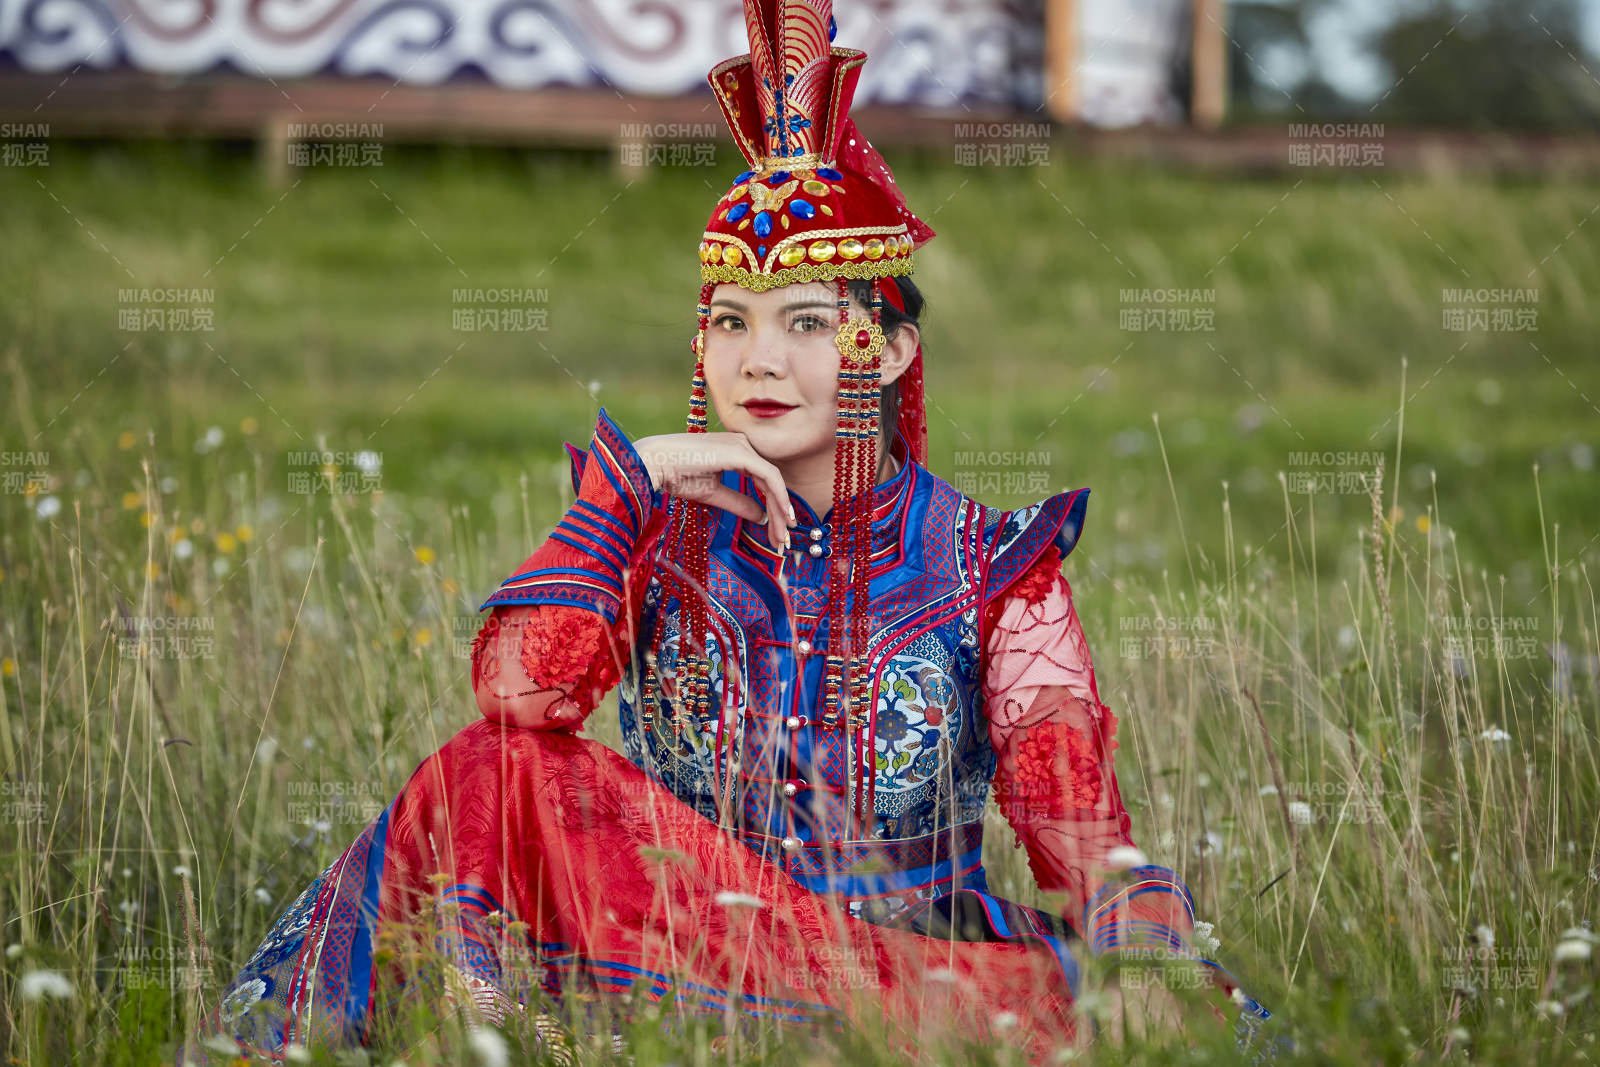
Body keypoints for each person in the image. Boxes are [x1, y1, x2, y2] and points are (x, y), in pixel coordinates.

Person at [184, 2, 1277, 1063]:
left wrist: (1145, 946)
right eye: (729, 321)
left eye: (808, 322)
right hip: (671, 943)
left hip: (899, 975)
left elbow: (1073, 816)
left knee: (1176, 1015)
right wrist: (632, 482)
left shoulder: (994, 566)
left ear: (889, 352)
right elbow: (521, 699)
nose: (758, 361)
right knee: (487, 767)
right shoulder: (653, 527)